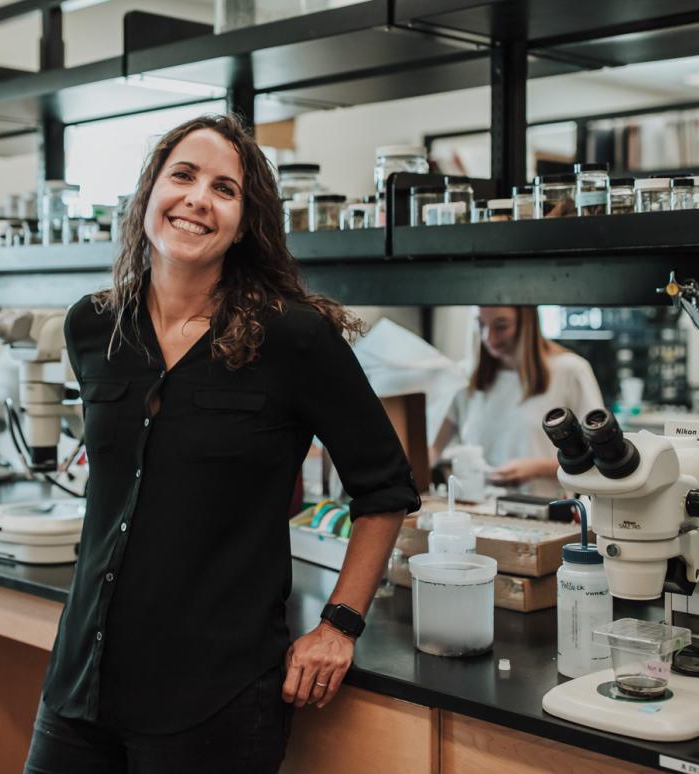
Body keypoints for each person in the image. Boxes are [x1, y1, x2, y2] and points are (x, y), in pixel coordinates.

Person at [24, 115, 420, 774]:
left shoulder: (292, 338)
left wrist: (339, 624)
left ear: (245, 221)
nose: (197, 199)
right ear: (148, 190)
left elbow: (385, 489)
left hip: (214, 696)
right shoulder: (93, 325)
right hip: (80, 682)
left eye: (224, 188)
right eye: (182, 175)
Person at [430, 306, 604, 496]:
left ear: (526, 323)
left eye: (501, 326)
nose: (489, 338)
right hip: (479, 513)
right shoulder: (467, 377)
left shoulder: (570, 371)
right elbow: (434, 450)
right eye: (481, 325)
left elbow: (595, 455)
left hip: (547, 513)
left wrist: (535, 468)